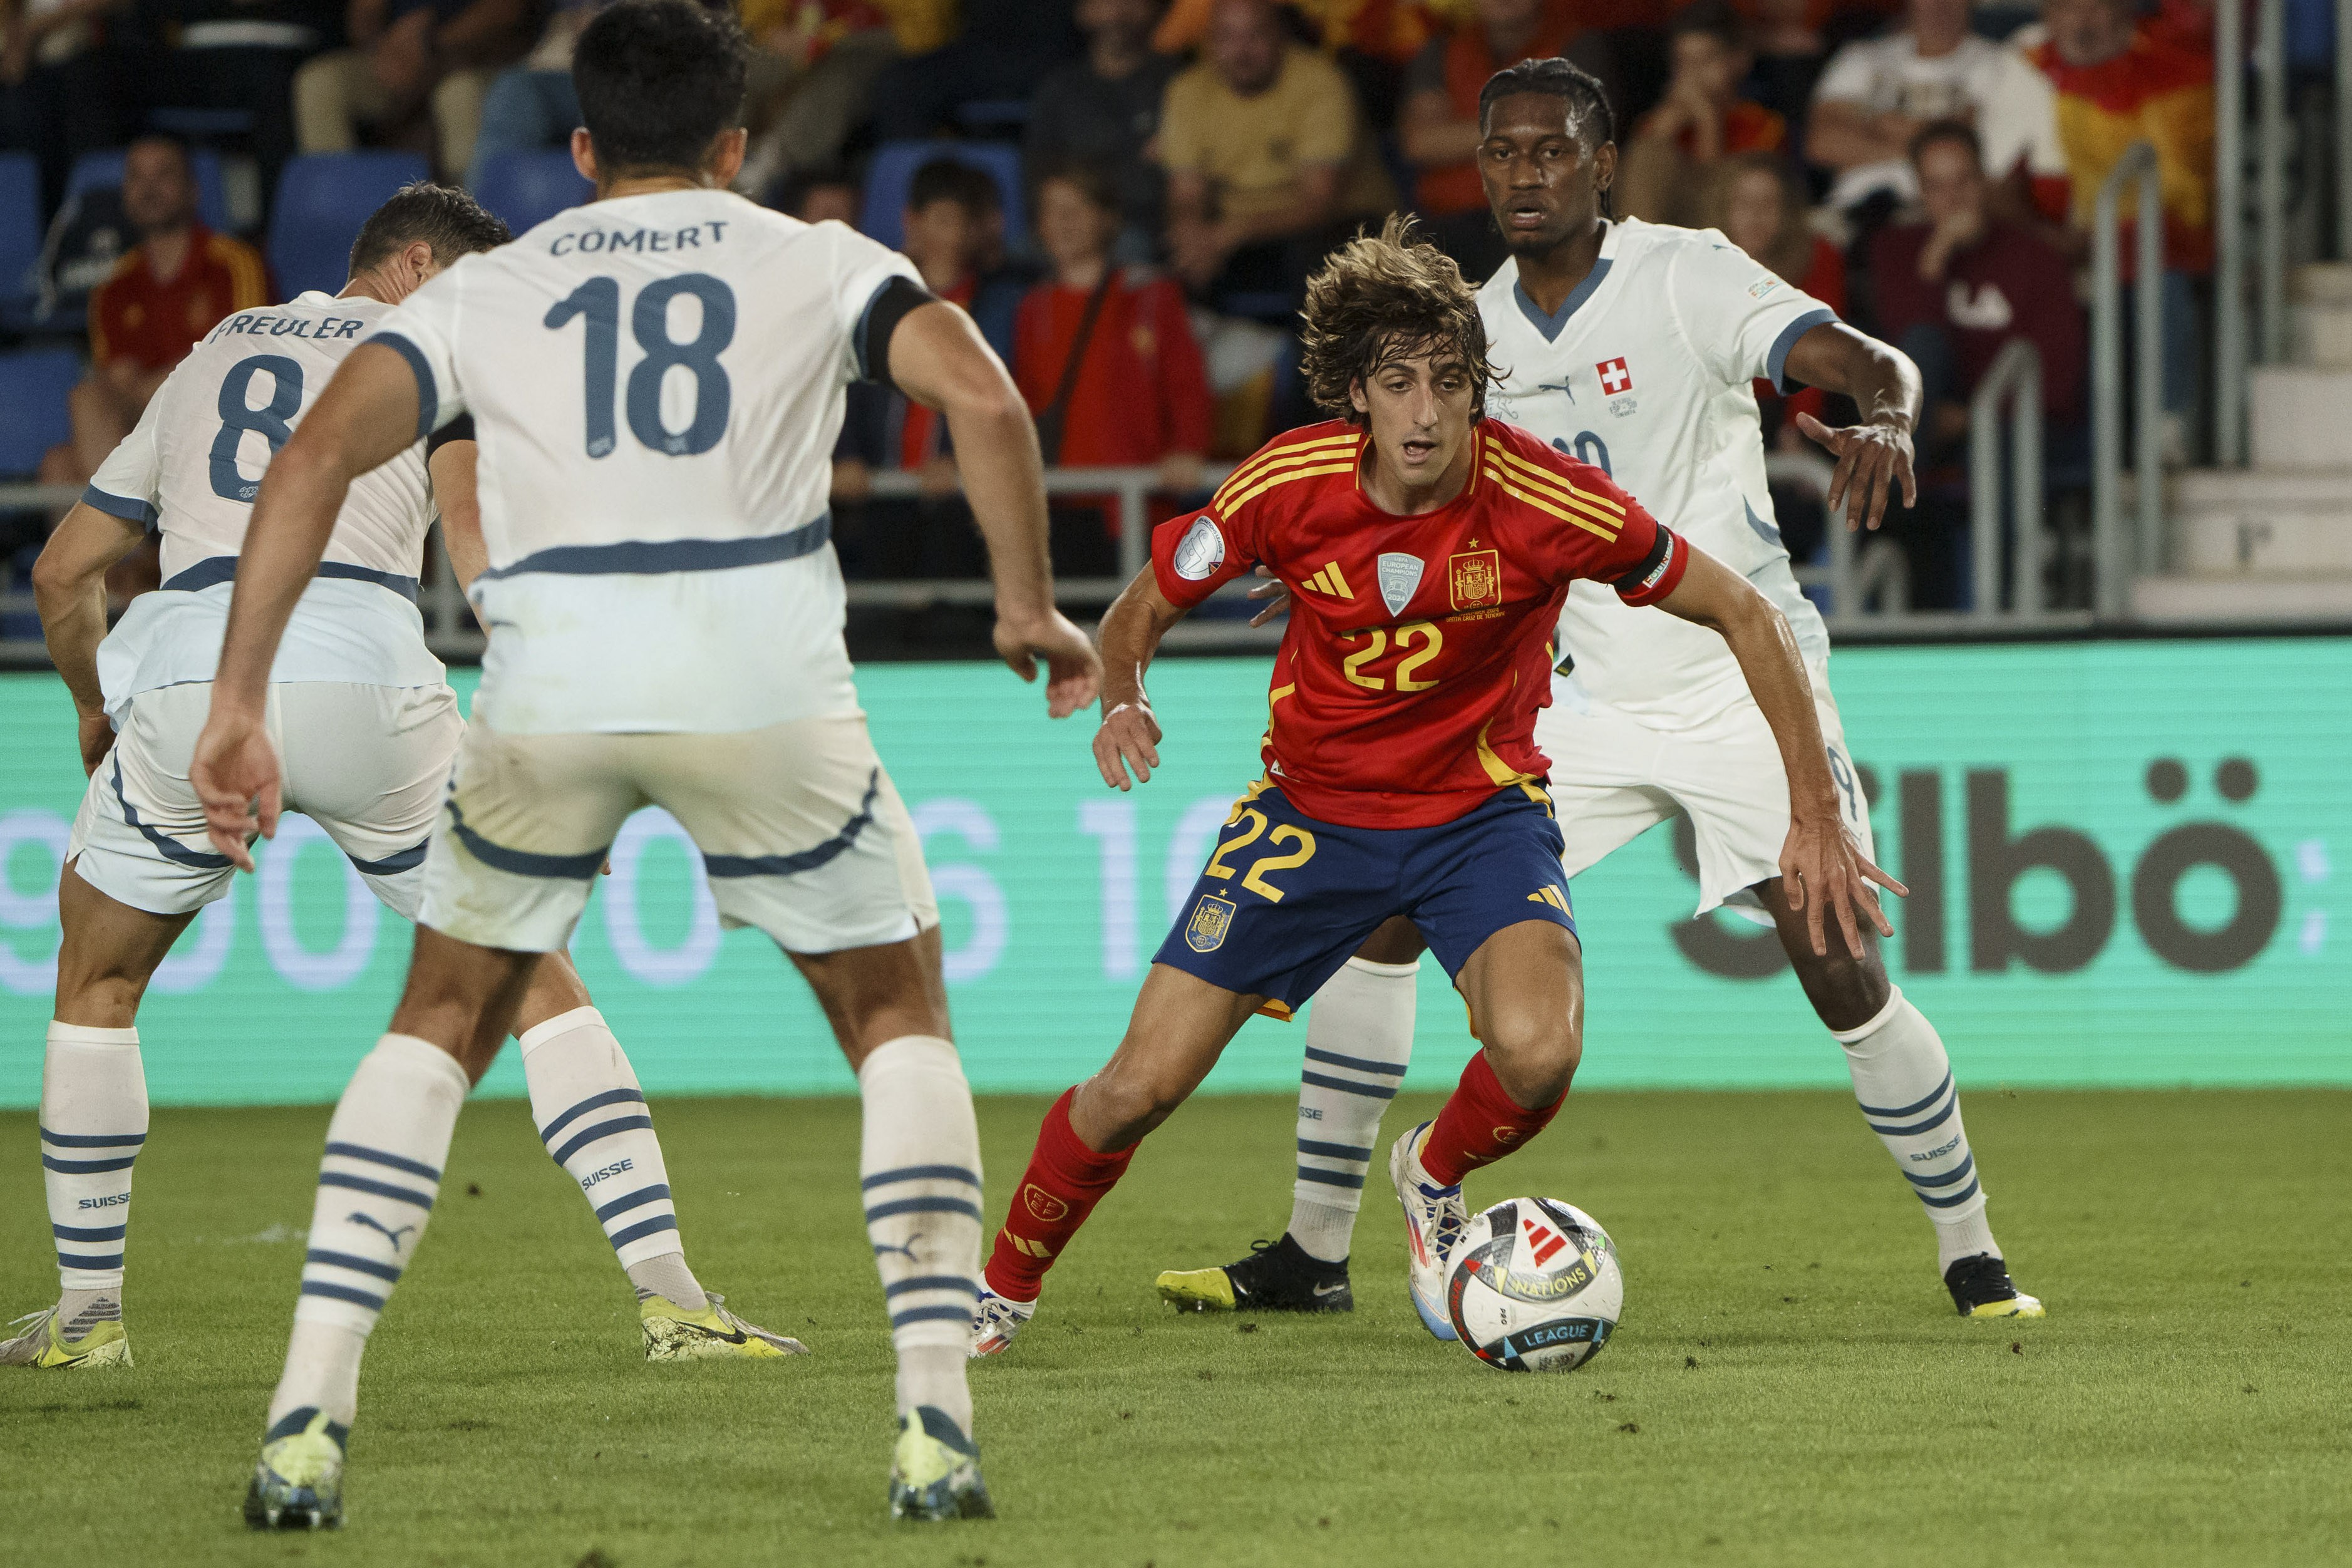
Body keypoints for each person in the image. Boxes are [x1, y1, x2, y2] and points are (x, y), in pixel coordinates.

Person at [188, 0, 1098, 1527]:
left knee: (438, 1019)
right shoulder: (812, 253)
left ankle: (302, 1418)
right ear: (736, 143)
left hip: (556, 683)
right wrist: (1023, 602)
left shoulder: (498, 283)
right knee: (895, 1013)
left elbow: (312, 460)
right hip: (761, 671)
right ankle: (933, 1425)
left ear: (584, 145)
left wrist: (236, 693)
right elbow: (984, 396)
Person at [1157, 58, 2045, 1325]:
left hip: (1742, 676)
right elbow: (1392, 485)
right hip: (1569, 695)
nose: (1525, 172)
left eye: (1551, 149)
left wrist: (1889, 418)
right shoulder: (1469, 329)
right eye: (1502, 152)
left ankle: (1974, 1257)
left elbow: (1862, 359)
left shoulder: (1691, 273)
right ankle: (1313, 1249)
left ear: (1602, 162)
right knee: (1387, 917)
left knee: (1839, 956)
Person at [968, 214, 1900, 1356]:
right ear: (1357, 392)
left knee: (1540, 1051)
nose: (1425, 410)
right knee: (1136, 1086)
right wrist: (1123, 694)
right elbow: (1137, 612)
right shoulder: (1285, 484)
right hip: (1308, 820)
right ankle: (998, 1293)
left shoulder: (1546, 500)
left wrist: (1811, 811)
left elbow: (1748, 614)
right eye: (1399, 382)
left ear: (1478, 390)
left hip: (1479, 820)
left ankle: (1430, 1168)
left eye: (1450, 382)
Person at [2, 182, 801, 1375]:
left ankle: (84, 1315)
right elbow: (474, 542)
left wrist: (88, 702)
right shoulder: (433, 360)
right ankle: (673, 1295)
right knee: (534, 981)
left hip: (194, 676)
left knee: (98, 979)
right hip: (372, 682)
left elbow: (67, 570)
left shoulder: (213, 351)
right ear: (417, 266)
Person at [2025, 0, 2210, 459]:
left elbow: (2185, 186)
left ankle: (2165, 423)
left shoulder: (2169, 62)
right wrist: (2047, 237)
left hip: (2160, 237)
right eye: (2069, 8)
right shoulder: (2029, 70)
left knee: (2151, 256)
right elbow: (2001, 180)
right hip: (2056, 240)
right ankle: (2078, 452)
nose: (2084, 20)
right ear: (2049, 16)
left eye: (2096, 6)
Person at [1013, 163, 1213, 572]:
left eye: (1078, 209)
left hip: (1135, 502)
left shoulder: (1152, 295)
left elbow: (1186, 383)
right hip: (1057, 499)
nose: (1065, 223)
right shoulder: (1033, 307)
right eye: (1053, 210)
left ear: (1108, 219)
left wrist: (1189, 448)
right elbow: (1022, 396)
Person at [49, 137, 271, 488]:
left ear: (193, 190)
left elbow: (242, 357)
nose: (149, 188)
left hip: (220, 419)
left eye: (163, 175)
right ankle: (137, 543)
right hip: (144, 428)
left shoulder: (233, 263)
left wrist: (150, 385)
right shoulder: (114, 285)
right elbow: (117, 381)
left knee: (89, 402)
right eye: (137, 177)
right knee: (58, 465)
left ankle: (125, 536)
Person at [1156, 0, 1395, 307]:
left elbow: (1318, 203)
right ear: (1208, 42)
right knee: (1164, 258)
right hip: (1231, 234)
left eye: (1255, 35)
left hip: (1339, 225)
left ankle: (1310, 355)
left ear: (1281, 35)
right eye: (1226, 37)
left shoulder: (1322, 83)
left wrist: (1230, 233)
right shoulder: (1187, 90)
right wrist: (1190, 233)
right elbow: (1186, 193)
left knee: (1314, 259)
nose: (1241, 51)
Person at [1806, 0, 2060, 214]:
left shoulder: (2000, 64)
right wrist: (1939, 140)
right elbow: (1823, 144)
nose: (1939, 6)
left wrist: (1879, 128)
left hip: (1947, 213)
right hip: (1855, 207)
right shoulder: (1861, 58)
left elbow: (1988, 158)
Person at [1398, 0, 1591, 277]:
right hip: (1447, 224)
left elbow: (1574, 136)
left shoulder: (1577, 47)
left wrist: (1458, 132)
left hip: (1539, 218)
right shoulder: (1441, 50)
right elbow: (1420, 143)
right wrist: (1524, 126)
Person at [292, 0, 537, 177]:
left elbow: (508, 11)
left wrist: (432, 43)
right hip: (401, 58)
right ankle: (338, 216)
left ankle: (467, 223)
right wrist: (386, 51)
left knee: (458, 94)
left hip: (481, 59)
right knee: (321, 83)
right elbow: (365, 14)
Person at [1022, 0, 1179, 262]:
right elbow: (1038, 173)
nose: (1116, 13)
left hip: (1144, 228)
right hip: (1069, 222)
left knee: (1134, 247)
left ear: (1153, 8)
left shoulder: (1178, 84)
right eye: (1104, 2)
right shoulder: (1058, 89)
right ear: (1082, 11)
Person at [1707, 148, 1842, 448]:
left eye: (1768, 203)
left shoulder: (1818, 256)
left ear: (1788, 211)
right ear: (1724, 207)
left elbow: (1821, 348)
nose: (1755, 215)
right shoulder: (1700, 260)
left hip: (1794, 402)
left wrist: (1798, 429)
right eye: (1744, 203)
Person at [1616, 0, 1786, 230]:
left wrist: (1708, 123)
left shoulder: (1762, 126)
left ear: (1739, 60)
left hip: (1725, 238)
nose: (1692, 75)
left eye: (1706, 60)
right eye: (1684, 62)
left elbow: (1728, 208)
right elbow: (1632, 193)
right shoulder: (1660, 122)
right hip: (1663, 233)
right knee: (1647, 153)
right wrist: (1660, 132)